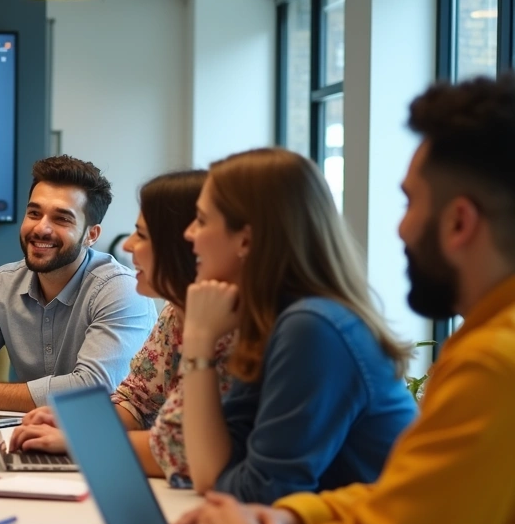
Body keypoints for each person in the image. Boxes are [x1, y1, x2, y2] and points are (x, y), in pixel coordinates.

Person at [169, 75, 515, 524]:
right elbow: (405, 498)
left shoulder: (494, 366)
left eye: (409, 203)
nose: (400, 229)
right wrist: (296, 519)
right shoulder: (489, 342)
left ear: (460, 222)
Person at [170, 147, 418, 505]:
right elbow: (211, 475)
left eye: (202, 220)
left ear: (246, 240)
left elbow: (262, 493)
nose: (189, 234)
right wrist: (200, 340)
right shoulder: (275, 321)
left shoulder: (314, 327)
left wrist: (197, 338)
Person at [9, 170, 236, 488]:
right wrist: (80, 424)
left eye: (141, 235)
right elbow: (136, 401)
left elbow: (181, 450)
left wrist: (82, 442)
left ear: (185, 244)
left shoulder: (234, 328)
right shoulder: (175, 313)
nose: (127, 246)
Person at [0, 155, 157, 412]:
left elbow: (92, 388)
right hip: (32, 433)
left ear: (91, 235)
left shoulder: (120, 289)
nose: (41, 228)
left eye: (62, 219)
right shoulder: (3, 284)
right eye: (34, 213)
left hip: (116, 442)